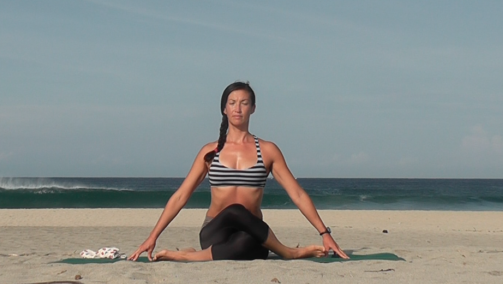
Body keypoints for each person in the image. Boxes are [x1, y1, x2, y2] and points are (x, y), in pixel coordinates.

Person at [128, 82, 348, 261]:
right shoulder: (210, 152)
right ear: (224, 109)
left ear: (253, 108)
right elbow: (181, 196)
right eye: (232, 103)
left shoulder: (268, 150)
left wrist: (325, 234)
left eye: (244, 103)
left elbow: (297, 194)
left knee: (246, 244)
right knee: (234, 210)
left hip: (254, 233)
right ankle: (289, 252)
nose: (238, 108)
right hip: (215, 230)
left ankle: (190, 257)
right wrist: (153, 236)